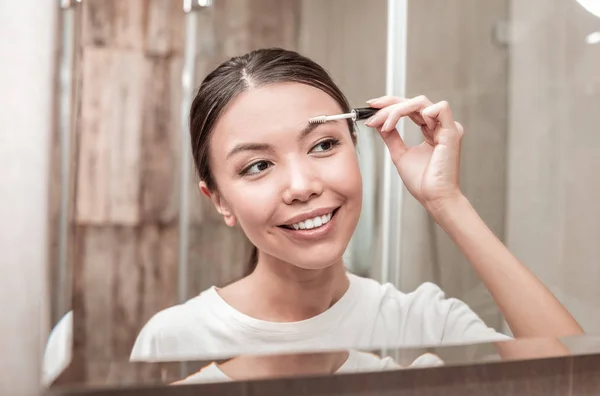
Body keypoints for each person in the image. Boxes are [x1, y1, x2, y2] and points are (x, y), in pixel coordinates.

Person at [130, 48, 582, 364]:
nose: (302, 186)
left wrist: (448, 203)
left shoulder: (421, 321)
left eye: (324, 144)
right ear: (219, 200)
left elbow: (579, 380)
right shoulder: (174, 340)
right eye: (257, 166)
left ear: (356, 145)